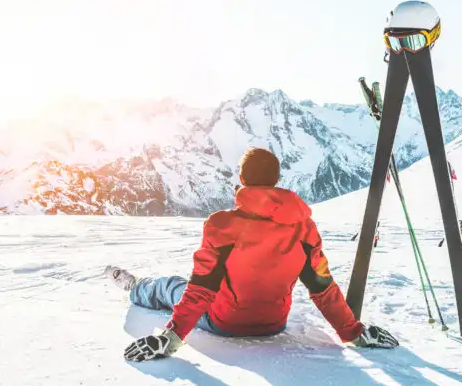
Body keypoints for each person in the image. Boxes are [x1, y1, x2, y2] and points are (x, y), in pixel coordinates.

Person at [106, 147, 399, 363]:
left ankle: (136, 287)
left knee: (171, 286)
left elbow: (200, 290)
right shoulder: (304, 228)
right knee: (185, 288)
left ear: (242, 180)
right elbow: (323, 287)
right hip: (275, 324)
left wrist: (170, 339)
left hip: (224, 323)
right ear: (275, 180)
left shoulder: (222, 225)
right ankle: (140, 287)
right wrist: (353, 332)